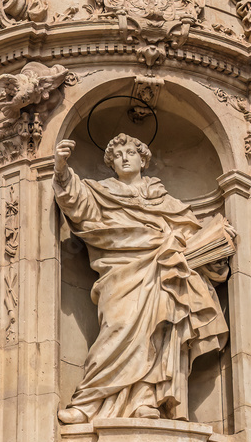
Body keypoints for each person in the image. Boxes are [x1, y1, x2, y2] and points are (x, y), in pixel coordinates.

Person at [53, 134, 234, 423]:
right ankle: (88, 403)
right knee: (119, 327)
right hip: (119, 272)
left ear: (143, 159)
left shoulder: (167, 202)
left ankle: (146, 400)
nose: (124, 157)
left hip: (162, 273)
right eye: (117, 154)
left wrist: (215, 246)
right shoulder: (101, 192)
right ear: (111, 164)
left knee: (159, 331)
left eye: (130, 152)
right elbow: (76, 205)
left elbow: (191, 241)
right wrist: (62, 169)